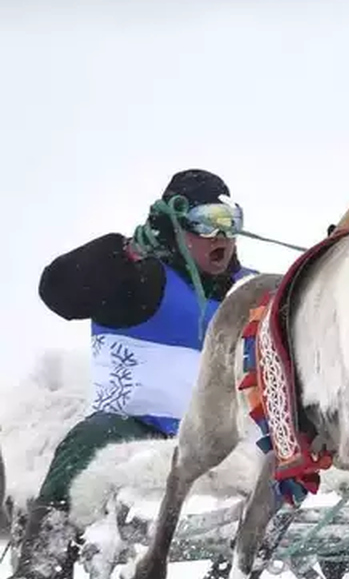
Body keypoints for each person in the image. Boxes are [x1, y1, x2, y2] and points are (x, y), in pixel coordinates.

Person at [10, 169, 255, 579]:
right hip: (132, 425)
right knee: (89, 440)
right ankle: (43, 564)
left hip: (225, 437)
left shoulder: (248, 293)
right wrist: (123, 253)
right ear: (177, 227)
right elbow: (58, 290)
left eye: (231, 223)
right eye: (209, 222)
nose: (222, 237)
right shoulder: (138, 279)